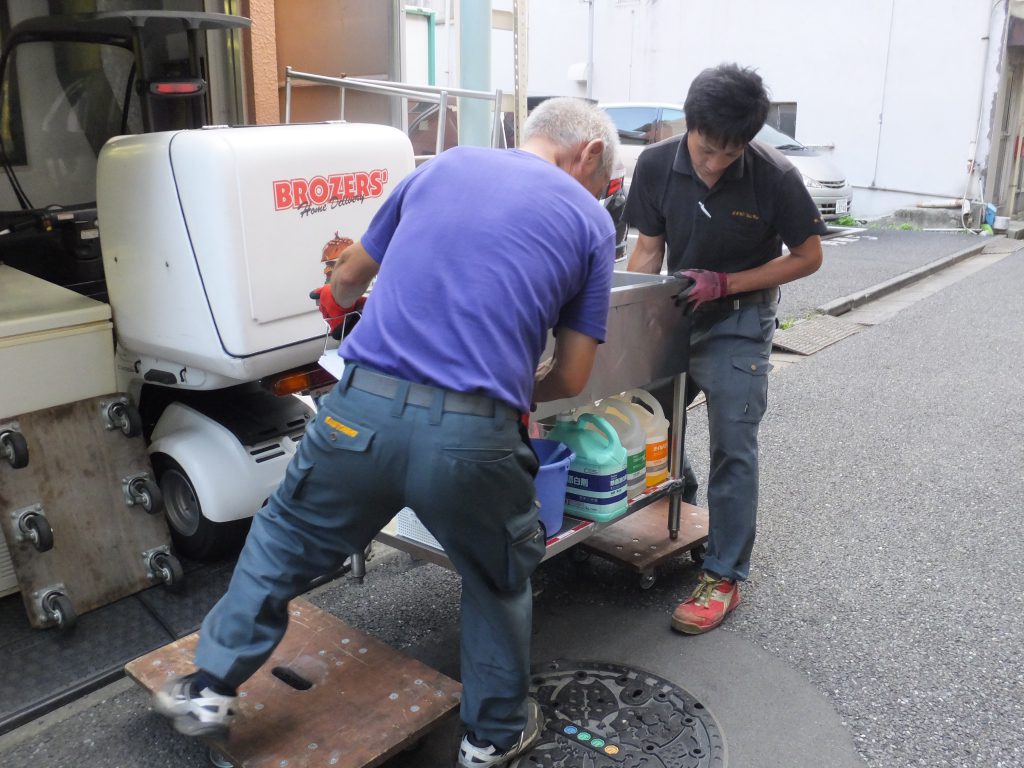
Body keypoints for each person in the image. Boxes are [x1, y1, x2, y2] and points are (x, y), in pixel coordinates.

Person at [152, 96, 620, 768]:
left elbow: (346, 276)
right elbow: (573, 374)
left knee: (283, 538)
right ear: (590, 154)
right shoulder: (589, 222)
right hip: (474, 440)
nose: (598, 194)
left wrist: (336, 307)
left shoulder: (443, 168)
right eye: (602, 184)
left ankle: (208, 689)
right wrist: (507, 393)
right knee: (495, 577)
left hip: (358, 413)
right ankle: (491, 738)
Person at [624, 63, 825, 635]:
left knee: (734, 445)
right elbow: (647, 250)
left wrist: (729, 282)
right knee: (657, 421)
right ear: (689, 126)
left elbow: (809, 256)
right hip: (675, 313)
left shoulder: (775, 176)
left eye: (729, 154)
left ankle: (725, 574)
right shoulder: (657, 164)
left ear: (749, 142)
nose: (715, 163)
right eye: (708, 149)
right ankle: (687, 519)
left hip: (741, 318)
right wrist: (634, 322)